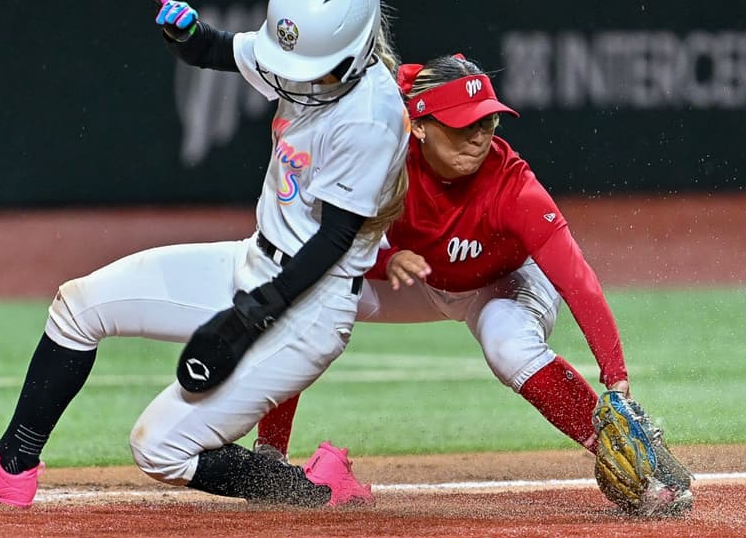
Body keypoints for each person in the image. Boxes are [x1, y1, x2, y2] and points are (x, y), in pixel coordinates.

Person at [0, 0, 409, 509]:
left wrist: (247, 319)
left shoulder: (369, 117)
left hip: (308, 308)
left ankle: (315, 494)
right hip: (253, 263)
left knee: (159, 450)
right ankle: (11, 465)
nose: (294, 79)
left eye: (312, 70)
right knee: (79, 307)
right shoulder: (305, 54)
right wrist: (189, 34)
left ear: (358, 50)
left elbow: (334, 240)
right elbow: (219, 50)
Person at [254, 53, 692, 514]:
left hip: (502, 284)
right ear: (419, 127)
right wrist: (385, 263)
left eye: (487, 122)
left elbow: (577, 279)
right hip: (416, 276)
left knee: (509, 346)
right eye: (463, 126)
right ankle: (268, 462)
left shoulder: (513, 188)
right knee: (303, 294)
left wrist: (616, 379)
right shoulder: (383, 156)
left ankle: (647, 477)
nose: (479, 136)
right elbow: (329, 244)